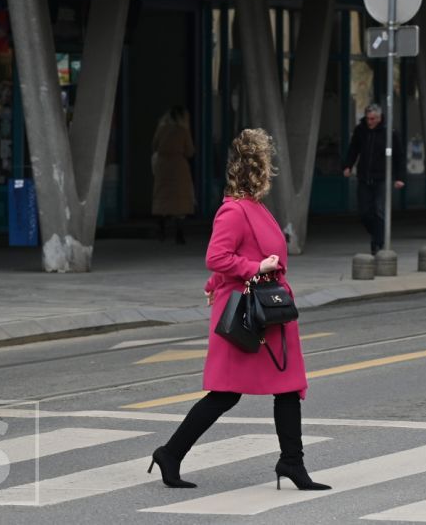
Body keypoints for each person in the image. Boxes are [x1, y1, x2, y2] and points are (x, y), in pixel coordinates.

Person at [148, 128, 330, 492]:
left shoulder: (257, 208)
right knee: (226, 393)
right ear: (258, 172)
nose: (268, 175)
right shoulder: (233, 211)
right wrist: (255, 268)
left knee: (289, 387)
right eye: (266, 168)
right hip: (247, 315)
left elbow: (229, 261)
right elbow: (216, 257)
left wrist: (219, 281)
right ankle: (170, 453)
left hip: (271, 311)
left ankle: (292, 462)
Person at [343, 103, 406, 255]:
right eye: (367, 118)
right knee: (364, 212)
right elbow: (353, 149)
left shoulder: (389, 132)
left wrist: (400, 178)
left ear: (379, 118)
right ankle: (377, 234)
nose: (369, 122)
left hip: (381, 178)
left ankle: (377, 243)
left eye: (372, 119)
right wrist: (348, 166)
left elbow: (399, 156)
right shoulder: (361, 130)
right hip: (364, 177)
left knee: (379, 210)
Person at [151, 106, 195, 244]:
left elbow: (154, 145)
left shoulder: (161, 129)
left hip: (162, 166)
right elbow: (190, 151)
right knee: (180, 200)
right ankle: (179, 234)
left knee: (162, 197)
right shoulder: (183, 130)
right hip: (179, 167)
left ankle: (161, 231)